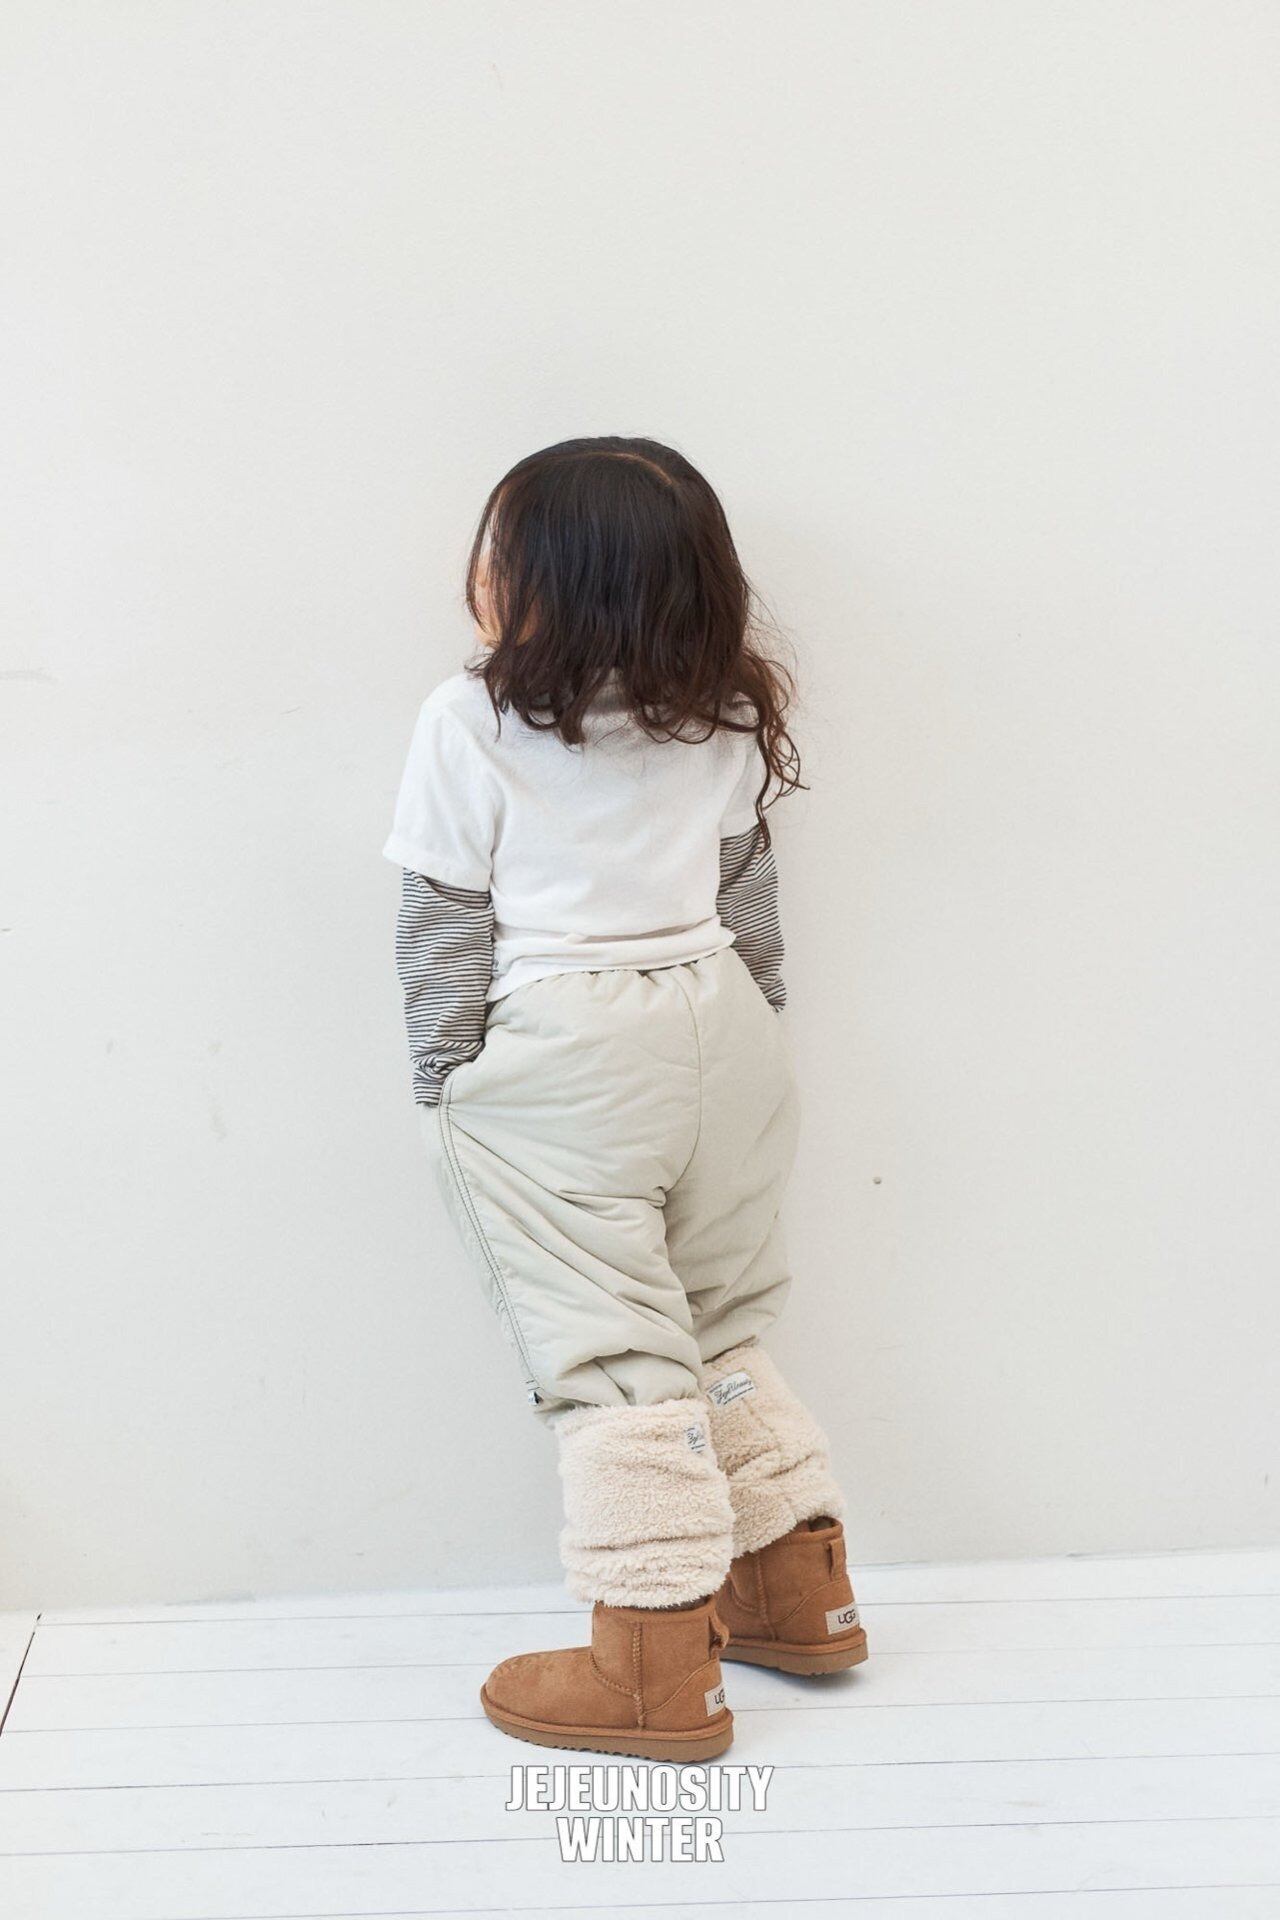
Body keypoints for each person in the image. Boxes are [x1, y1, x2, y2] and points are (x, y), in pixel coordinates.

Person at [383, 437, 865, 1760]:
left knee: (611, 1353)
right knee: (722, 1323)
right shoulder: (720, 709)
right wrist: (754, 1023)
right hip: (724, 1029)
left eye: (498, 550)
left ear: (548, 581)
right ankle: (797, 1592)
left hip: (570, 1050)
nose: (479, 572)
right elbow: (747, 886)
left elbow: (442, 917)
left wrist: (446, 1079)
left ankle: (652, 1665)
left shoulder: (468, 719)